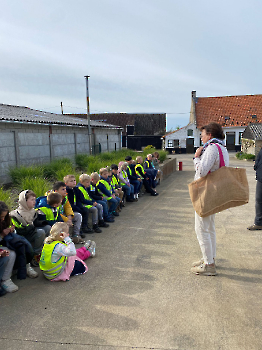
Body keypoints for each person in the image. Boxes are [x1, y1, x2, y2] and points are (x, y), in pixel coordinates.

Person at [191, 122, 229, 276]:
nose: (201, 136)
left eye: (203, 134)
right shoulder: (222, 148)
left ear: (210, 135)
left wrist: (196, 158)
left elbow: (202, 171)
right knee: (209, 227)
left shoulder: (212, 148)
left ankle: (209, 265)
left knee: (201, 228)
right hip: (215, 192)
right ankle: (209, 257)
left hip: (206, 193)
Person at [10, 190, 51, 266]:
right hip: (24, 235)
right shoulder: (15, 214)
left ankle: (47, 250)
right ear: (24, 201)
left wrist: (42, 222)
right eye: (32, 199)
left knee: (48, 228)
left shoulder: (33, 211)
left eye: (35, 199)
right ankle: (34, 255)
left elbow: (35, 223)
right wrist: (32, 226)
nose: (34, 202)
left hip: (32, 232)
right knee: (41, 232)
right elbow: (20, 230)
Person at [0, 201, 36, 281]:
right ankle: (6, 280)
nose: (3, 219)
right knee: (11, 253)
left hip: (6, 241)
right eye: (1, 217)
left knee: (21, 244)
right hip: (2, 243)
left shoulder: (6, 219)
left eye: (4, 217)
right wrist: (2, 235)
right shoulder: (16, 214)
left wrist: (11, 230)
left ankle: (26, 267)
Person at [247, 147, 262, 230]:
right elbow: (259, 157)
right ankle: (259, 223)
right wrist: (256, 166)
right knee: (259, 200)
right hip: (261, 177)